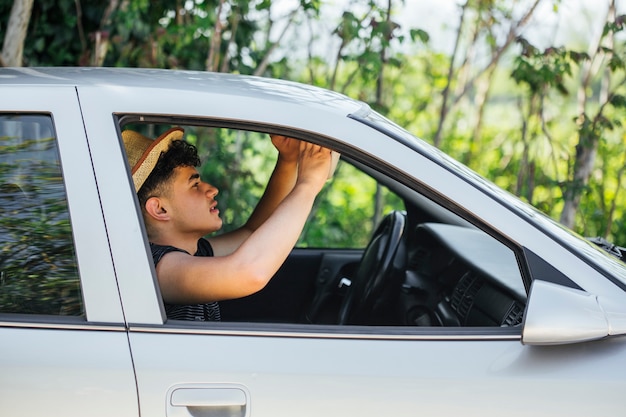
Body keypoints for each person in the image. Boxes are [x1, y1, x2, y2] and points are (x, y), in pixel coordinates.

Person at [122, 127, 332, 321]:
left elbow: (252, 232)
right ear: (160, 209)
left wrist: (288, 160)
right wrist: (308, 184)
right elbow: (249, 273)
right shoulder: (156, 269)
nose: (212, 189)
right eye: (194, 185)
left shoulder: (192, 253)